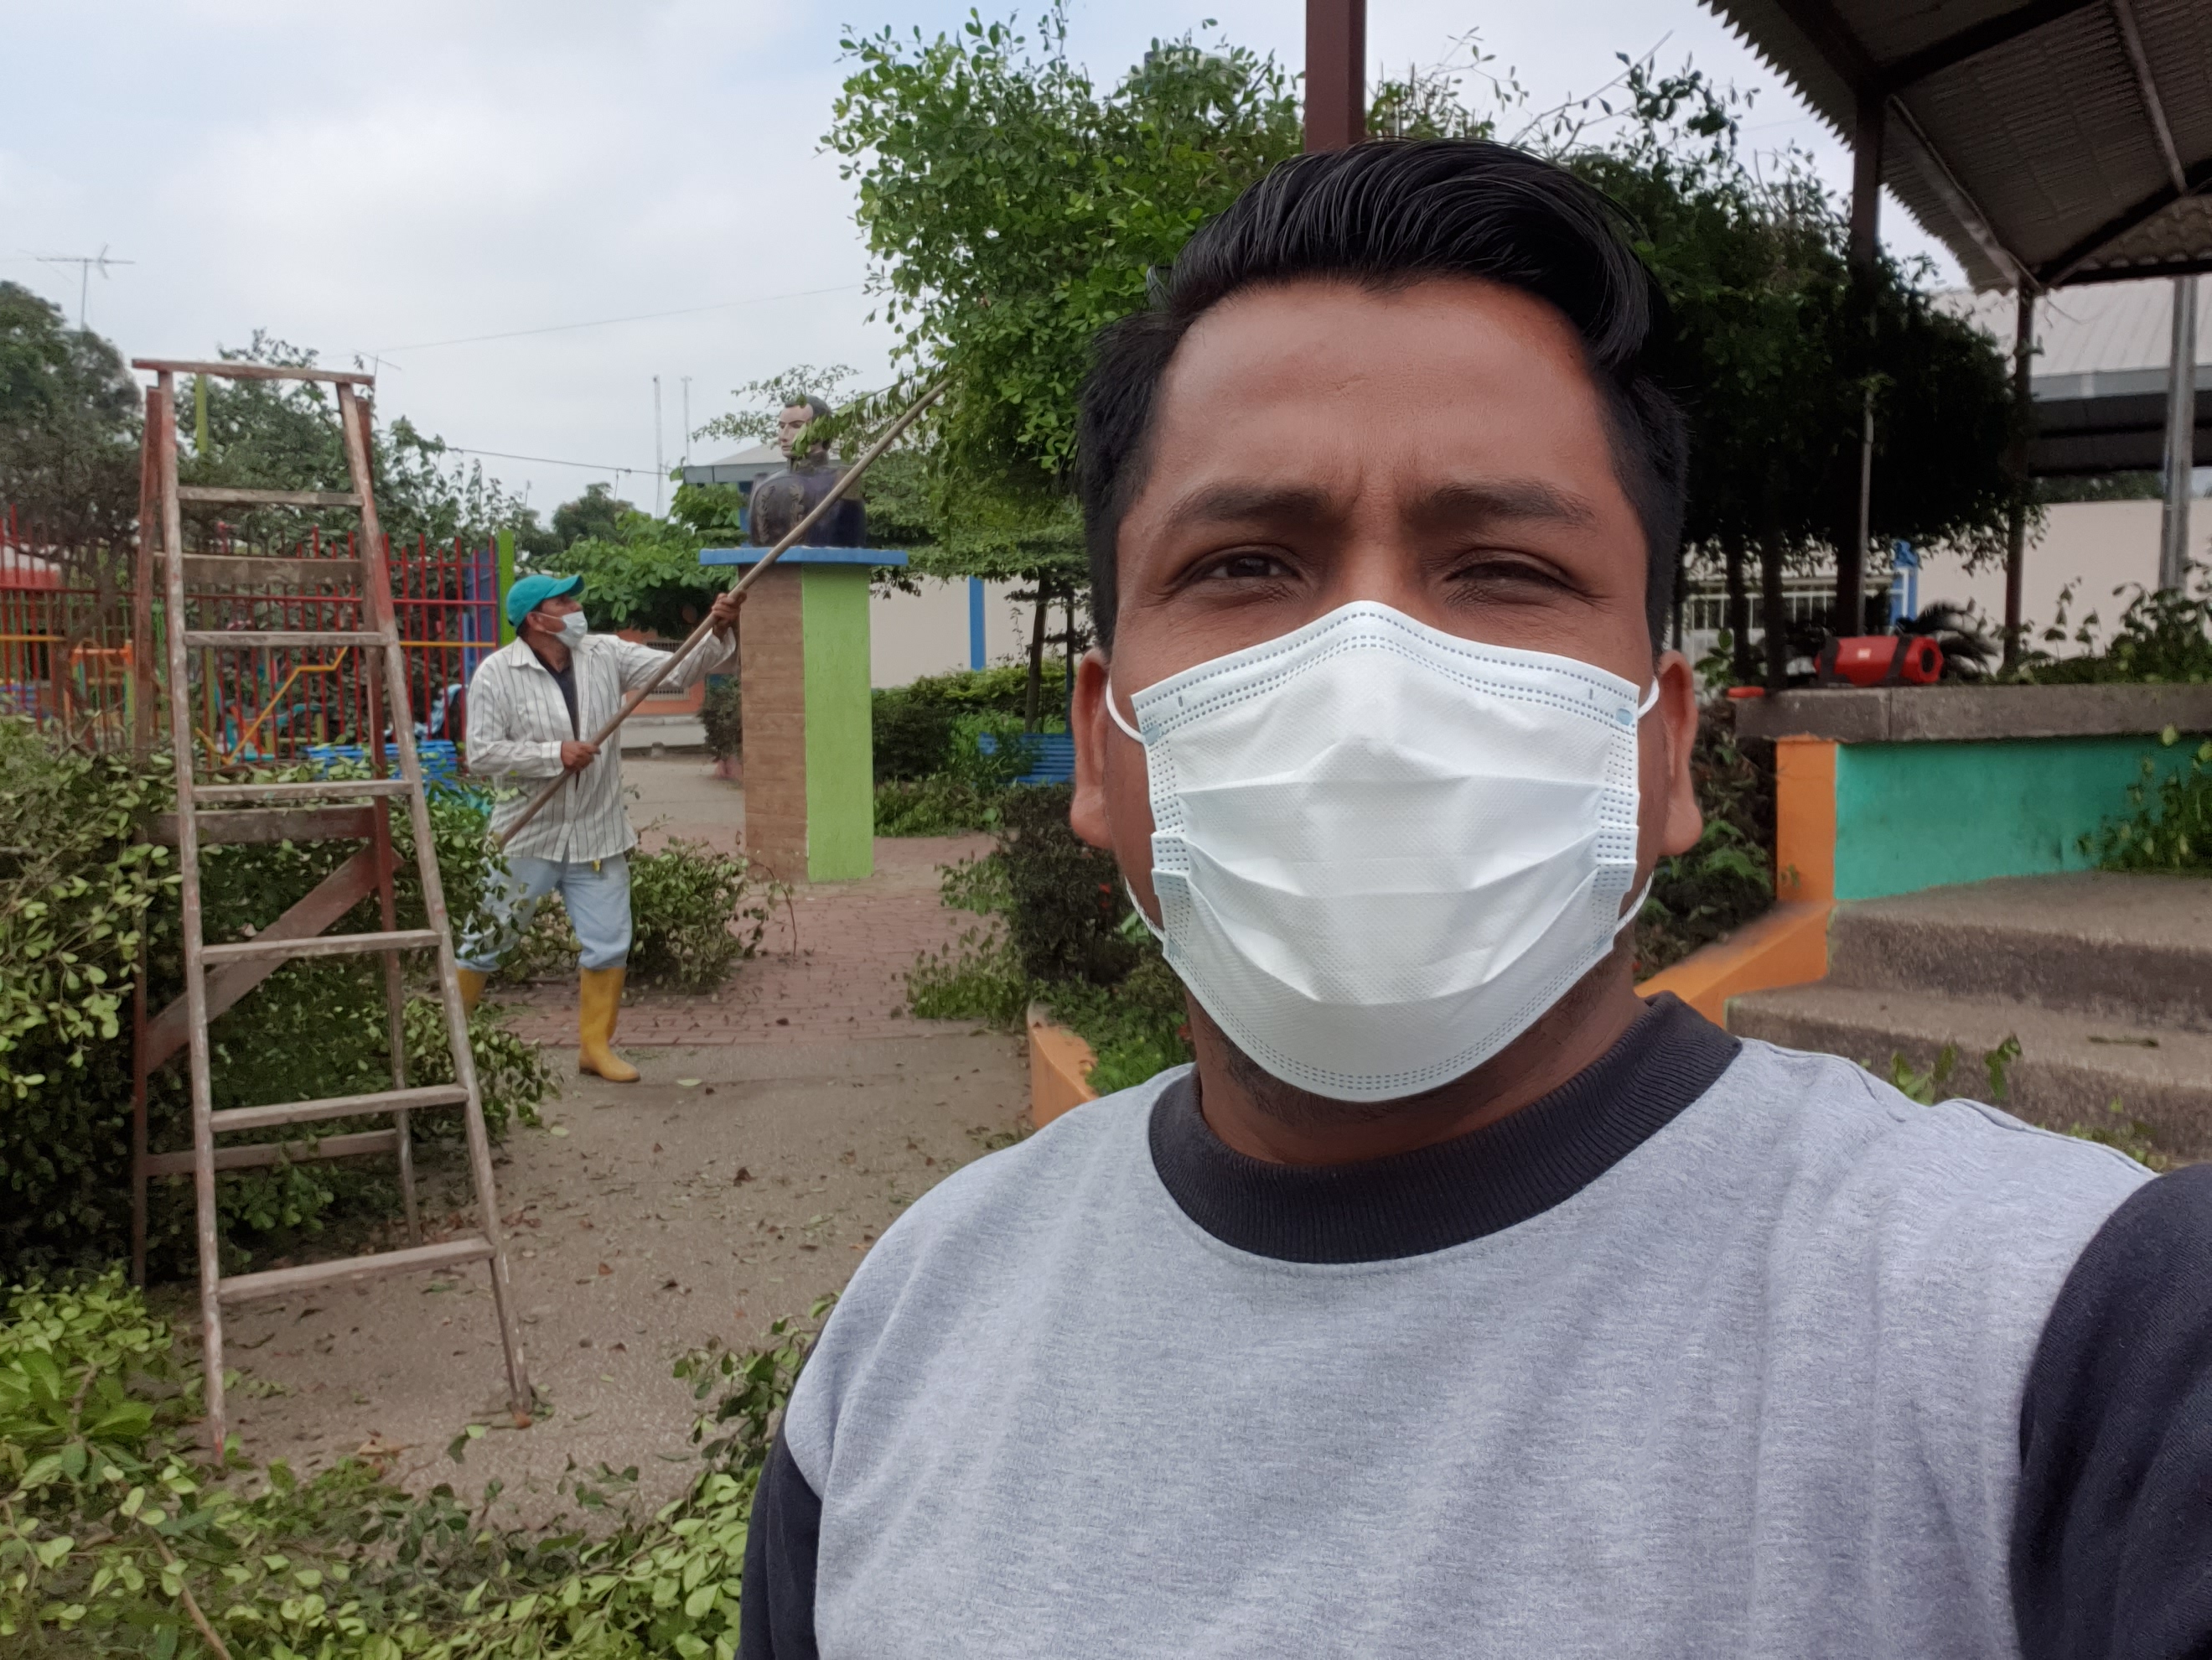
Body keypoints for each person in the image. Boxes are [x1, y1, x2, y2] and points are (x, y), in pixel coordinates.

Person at [738, 141, 2212, 1657]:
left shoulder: (2074, 1342)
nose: (1368, 699)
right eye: (1246, 565)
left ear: (1662, 747)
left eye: (1504, 569)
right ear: (1104, 744)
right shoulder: (907, 1339)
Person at [459, 571, 740, 1082]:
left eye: (573, 600)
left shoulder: (605, 653)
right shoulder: (497, 673)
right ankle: (449, 1043)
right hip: (527, 834)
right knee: (487, 940)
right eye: (564, 602)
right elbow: (481, 754)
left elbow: (678, 670)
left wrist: (716, 629)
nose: (576, 609)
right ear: (535, 619)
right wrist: (553, 754)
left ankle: (595, 1048)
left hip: (597, 832)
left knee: (610, 941)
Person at [747, 394, 867, 547]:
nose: (783, 436)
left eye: (796, 426)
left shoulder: (844, 480)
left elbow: (852, 543)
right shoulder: (761, 481)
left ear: (822, 430)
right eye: (782, 426)